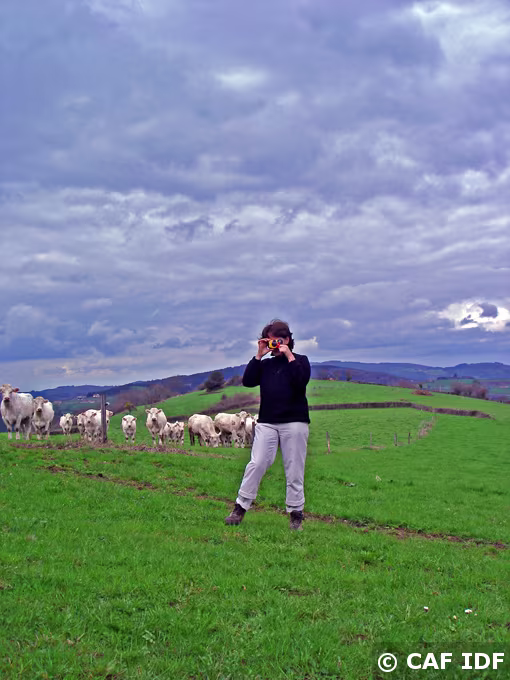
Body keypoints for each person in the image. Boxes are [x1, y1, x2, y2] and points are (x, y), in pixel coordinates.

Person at [224, 319, 311, 530]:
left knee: (294, 469)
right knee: (257, 463)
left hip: (295, 421)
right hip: (267, 422)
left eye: (277, 340)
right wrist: (259, 354)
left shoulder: (300, 360)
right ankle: (240, 507)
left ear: (287, 339)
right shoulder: (265, 365)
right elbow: (248, 381)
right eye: (269, 340)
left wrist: (289, 355)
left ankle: (296, 514)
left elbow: (300, 381)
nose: (273, 344)